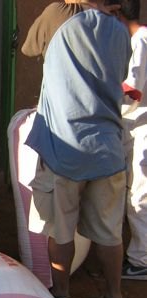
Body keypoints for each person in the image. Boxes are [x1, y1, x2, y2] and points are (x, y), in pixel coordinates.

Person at [24, 3, 131, 298]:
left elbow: (30, 47)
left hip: (64, 146)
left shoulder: (59, 12)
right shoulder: (118, 30)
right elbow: (121, 74)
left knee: (61, 229)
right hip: (107, 148)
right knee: (110, 233)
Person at [110, 0, 147, 280]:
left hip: (142, 126)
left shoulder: (140, 40)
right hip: (137, 125)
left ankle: (140, 260)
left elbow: (132, 89)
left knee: (139, 195)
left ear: (118, 13)